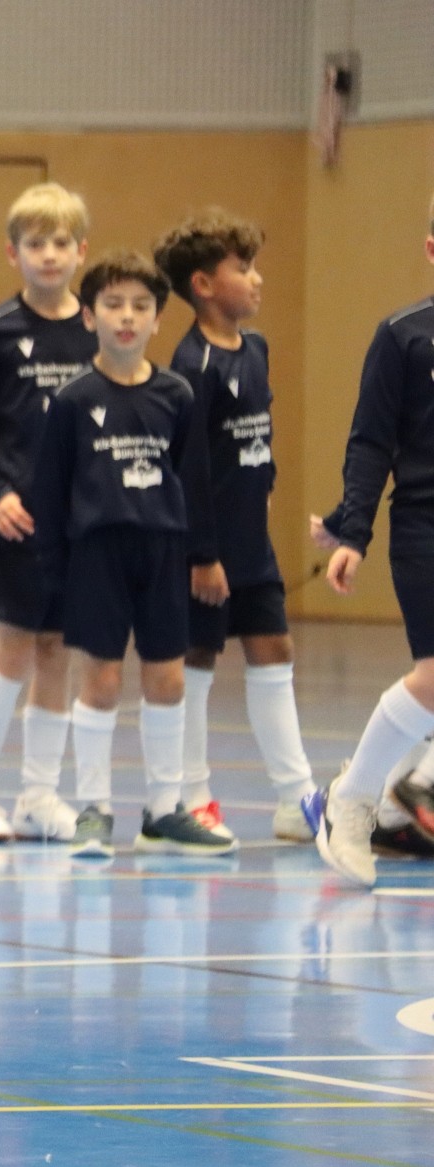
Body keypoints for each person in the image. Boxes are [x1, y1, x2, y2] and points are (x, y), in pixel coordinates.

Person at [28, 250, 236, 859]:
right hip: (97, 555)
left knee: (167, 679)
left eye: (141, 306)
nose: (127, 317)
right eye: (114, 305)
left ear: (158, 319)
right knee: (102, 681)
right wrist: (52, 574)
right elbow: (50, 492)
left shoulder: (177, 394)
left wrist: (205, 554)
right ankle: (94, 809)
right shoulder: (72, 400)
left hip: (163, 551)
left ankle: (164, 810)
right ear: (89, 316)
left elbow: (193, 480)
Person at [152, 211, 317, 843]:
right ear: (202, 285)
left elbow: (257, 436)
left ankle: (296, 799)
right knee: (198, 657)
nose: (257, 279)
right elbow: (189, 467)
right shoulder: (191, 365)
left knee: (274, 649)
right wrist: (202, 554)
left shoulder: (257, 349)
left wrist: (266, 487)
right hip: (206, 547)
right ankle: (193, 794)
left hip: (252, 542)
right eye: (243, 269)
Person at [0, 183, 97, 843]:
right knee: (11, 651)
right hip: (19, 522)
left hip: (80, 525)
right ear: (13, 254)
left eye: (61, 242)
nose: (50, 255)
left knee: (57, 652)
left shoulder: (97, 329)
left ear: (81, 251)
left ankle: (38, 796)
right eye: (36, 244)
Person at [303, 193, 434, 888]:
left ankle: (396, 796)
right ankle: (350, 800)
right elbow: (371, 441)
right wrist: (352, 530)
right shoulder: (403, 336)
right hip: (424, 526)